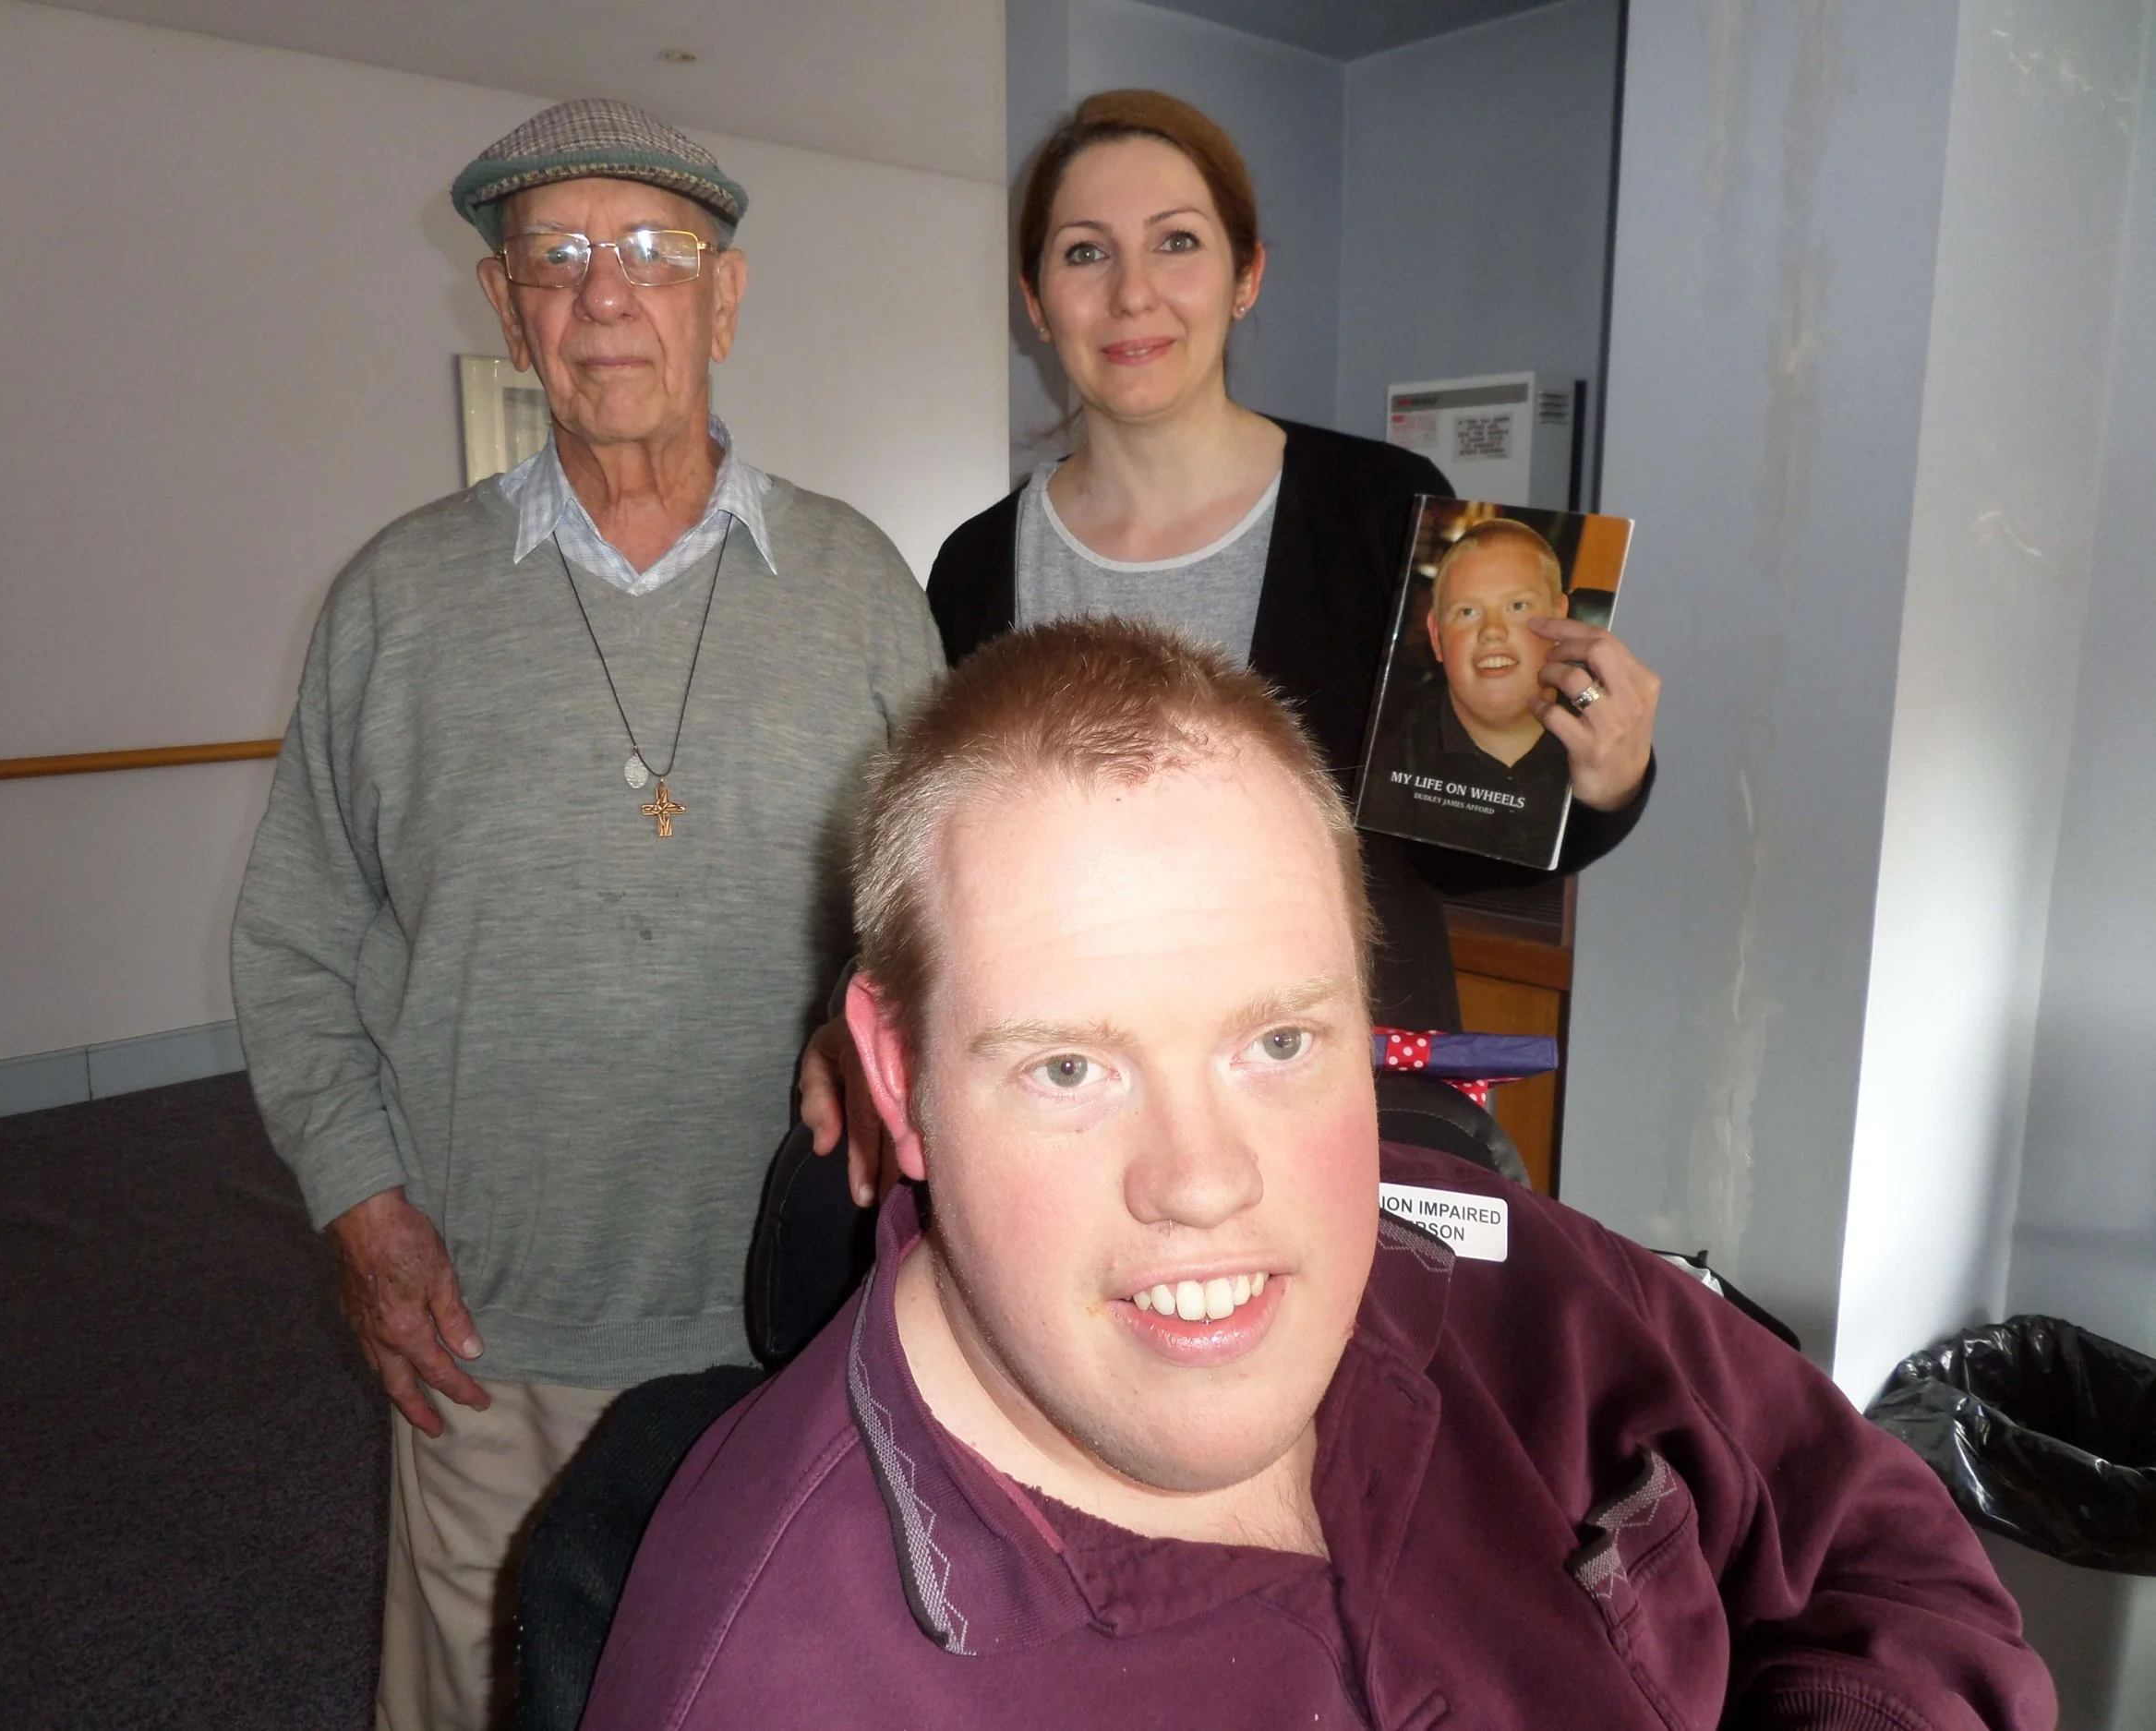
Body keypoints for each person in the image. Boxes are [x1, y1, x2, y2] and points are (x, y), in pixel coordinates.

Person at [583, 619, 2054, 1730]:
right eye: (1070, 1067)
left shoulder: (1487, 1262)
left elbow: (1871, 1535)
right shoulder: (771, 1679)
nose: (1203, 1180)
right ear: (898, 1081)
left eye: (1277, 1041)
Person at [230, 98, 943, 1730]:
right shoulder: (395, 601)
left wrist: (880, 1011)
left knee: (771, 1686)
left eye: (652, 251)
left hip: (799, 1311)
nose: (604, 293)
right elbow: (294, 939)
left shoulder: (861, 589)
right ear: (505, 306)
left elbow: (943, 911)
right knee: (489, 1695)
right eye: (553, 257)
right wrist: (361, 1209)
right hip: (492, 1324)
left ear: (725, 297)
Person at [926, 90, 1659, 1027]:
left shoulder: (1384, 511)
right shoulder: (976, 569)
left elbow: (1454, 851)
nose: (1132, 293)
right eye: (1084, 252)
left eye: (1177, 241)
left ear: (1247, 275)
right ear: (1035, 301)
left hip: (1339, 1075)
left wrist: (1604, 782)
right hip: (1076, 1072)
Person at [1362, 518, 1578, 863]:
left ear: (1559, 619)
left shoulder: (1602, 742)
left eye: (1517, 606)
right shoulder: (1380, 769)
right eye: (1467, 611)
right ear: (1437, 637)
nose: (1492, 631)